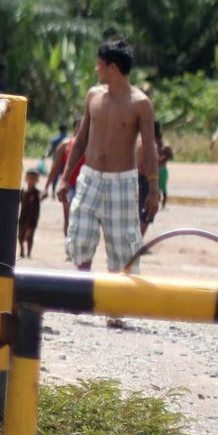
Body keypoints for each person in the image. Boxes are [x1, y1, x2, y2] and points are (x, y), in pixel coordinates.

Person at [62, 39, 161, 280]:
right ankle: (82, 291)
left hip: (122, 183)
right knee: (80, 238)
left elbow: (149, 147)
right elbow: (81, 140)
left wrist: (153, 189)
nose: (97, 69)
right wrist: (65, 178)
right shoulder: (94, 96)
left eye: (99, 64)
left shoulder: (141, 103)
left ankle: (117, 301)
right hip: (90, 178)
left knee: (123, 248)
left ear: (112, 68)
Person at [18, 170, 42, 258]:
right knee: (20, 235)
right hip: (23, 217)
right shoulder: (23, 192)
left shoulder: (36, 193)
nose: (31, 181)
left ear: (37, 180)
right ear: (26, 179)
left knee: (30, 236)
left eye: (33, 179)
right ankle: (22, 250)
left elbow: (42, 196)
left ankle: (29, 253)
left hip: (33, 218)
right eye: (30, 178)